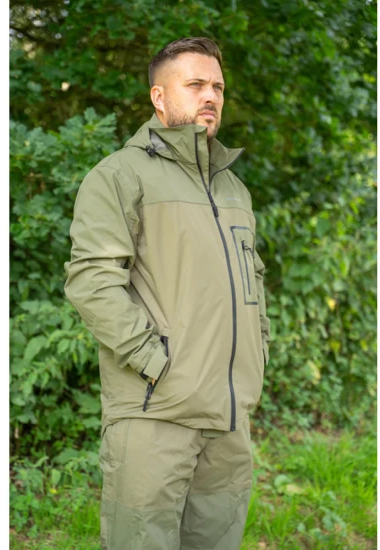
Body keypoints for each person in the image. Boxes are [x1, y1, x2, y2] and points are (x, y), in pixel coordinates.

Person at [64, 36, 271, 550]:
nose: (211, 96)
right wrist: (153, 362)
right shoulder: (119, 176)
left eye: (218, 87)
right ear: (159, 97)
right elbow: (92, 280)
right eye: (195, 84)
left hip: (229, 421)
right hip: (156, 415)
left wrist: (258, 354)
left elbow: (254, 282)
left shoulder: (233, 189)